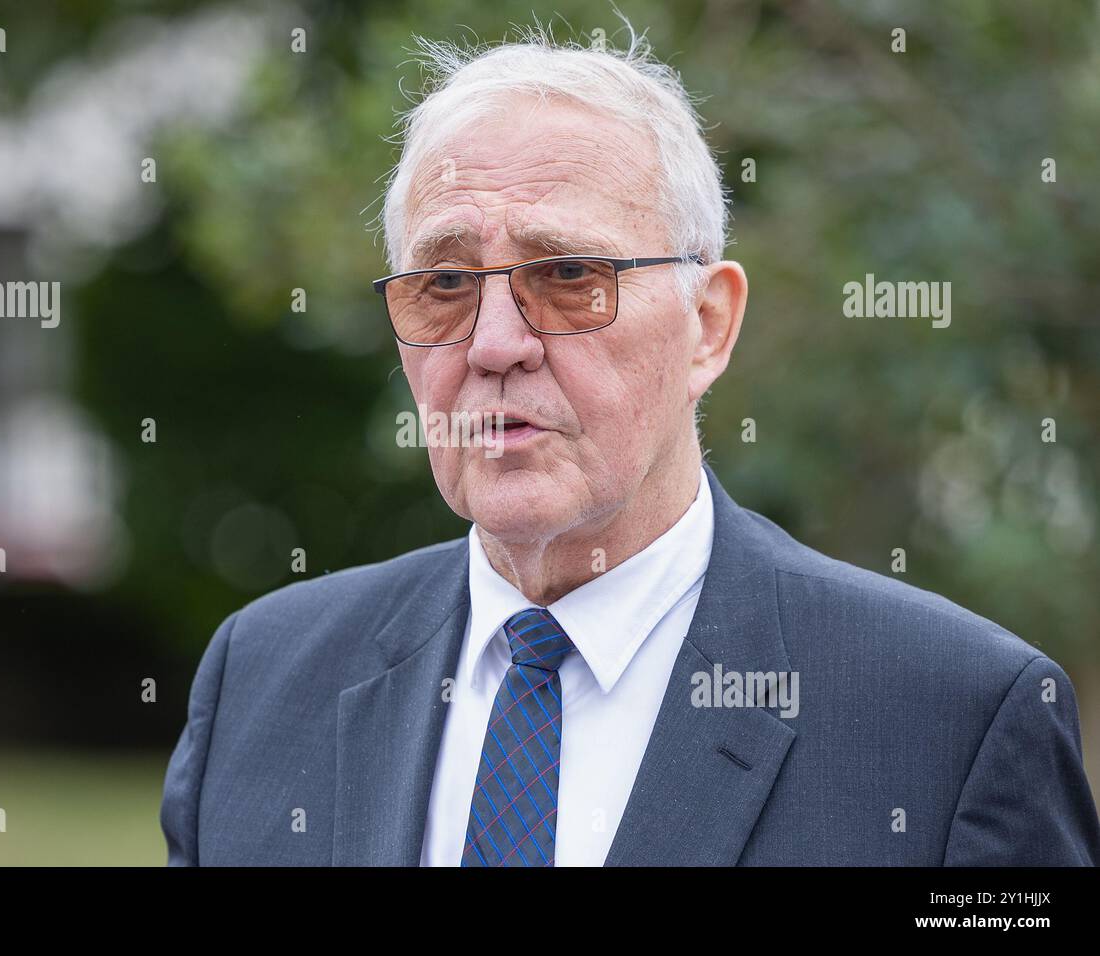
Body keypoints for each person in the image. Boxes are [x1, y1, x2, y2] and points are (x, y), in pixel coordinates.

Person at [161, 28, 1099, 866]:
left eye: (569, 274)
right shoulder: (265, 681)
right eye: (443, 282)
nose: (493, 344)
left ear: (708, 325)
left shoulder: (949, 720)